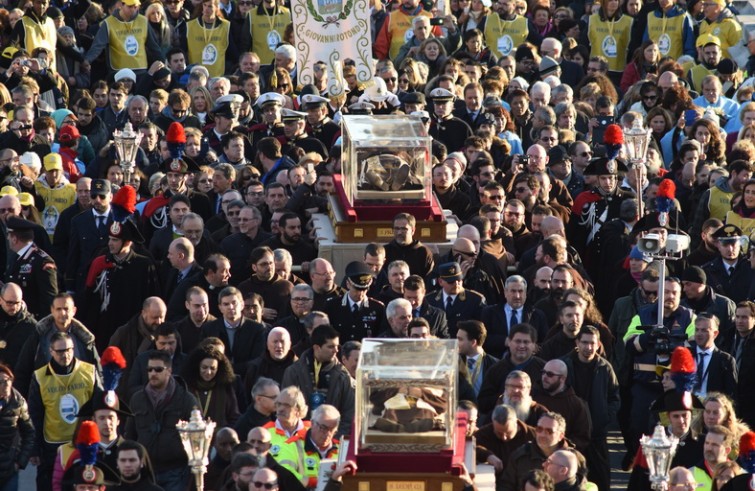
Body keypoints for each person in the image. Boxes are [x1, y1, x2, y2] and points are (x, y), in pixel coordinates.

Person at [28, 332, 99, 491]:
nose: (65, 354)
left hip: (83, 441)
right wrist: (34, 448)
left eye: (68, 349)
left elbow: (99, 408)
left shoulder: (89, 371)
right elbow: (35, 414)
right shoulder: (40, 376)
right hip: (52, 444)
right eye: (60, 351)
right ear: (51, 351)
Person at [126, 350, 198, 491]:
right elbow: (130, 434)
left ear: (169, 371)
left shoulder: (186, 400)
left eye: (158, 369)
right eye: (149, 369)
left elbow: (196, 436)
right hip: (145, 470)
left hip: (176, 471)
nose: (153, 373)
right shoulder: (137, 399)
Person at [563, 326, 619, 491]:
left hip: (597, 435)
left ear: (598, 344)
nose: (588, 348)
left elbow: (614, 397)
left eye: (592, 343)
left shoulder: (605, 368)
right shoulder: (565, 365)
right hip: (571, 435)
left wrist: (605, 418)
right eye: (584, 343)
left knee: (601, 480)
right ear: (577, 343)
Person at [282, 324, 355, 437]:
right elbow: (286, 407)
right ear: (317, 347)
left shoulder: (343, 376)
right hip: (298, 439)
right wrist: (298, 435)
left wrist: (335, 438)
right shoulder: (293, 372)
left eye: (337, 346)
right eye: (330, 347)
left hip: (331, 441)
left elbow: (349, 414)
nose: (336, 350)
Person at [202, 286, 266, 373]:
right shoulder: (209, 329)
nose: (231, 307)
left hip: (247, 378)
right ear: (220, 308)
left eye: (234, 303)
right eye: (226, 304)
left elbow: (258, 359)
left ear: (242, 305)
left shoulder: (257, 329)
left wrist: (233, 369)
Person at [3, 216, 57, 319]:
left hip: (33, 323)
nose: (7, 238)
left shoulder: (42, 261)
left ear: (14, 239)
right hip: (15, 321)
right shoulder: (16, 257)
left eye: (9, 235)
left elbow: (49, 301)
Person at [276, 404, 341, 488]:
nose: (327, 434)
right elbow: (284, 472)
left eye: (332, 430)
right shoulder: (292, 445)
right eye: (323, 428)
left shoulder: (341, 449)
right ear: (312, 423)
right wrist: (310, 482)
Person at [474, 404, 537, 483]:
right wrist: (487, 455)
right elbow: (470, 447)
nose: (504, 437)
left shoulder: (532, 435)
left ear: (516, 423)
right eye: (499, 433)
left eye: (508, 433)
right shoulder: (485, 433)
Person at [182, 344, 240, 428]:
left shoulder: (225, 387)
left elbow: (234, 416)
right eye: (204, 367)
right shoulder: (186, 387)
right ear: (197, 366)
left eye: (212, 368)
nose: (208, 372)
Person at [0, 363, 34, 491]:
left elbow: (29, 432)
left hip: (9, 469)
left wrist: (20, 461)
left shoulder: (18, 402)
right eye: (2, 381)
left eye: (8, 380)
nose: (6, 384)